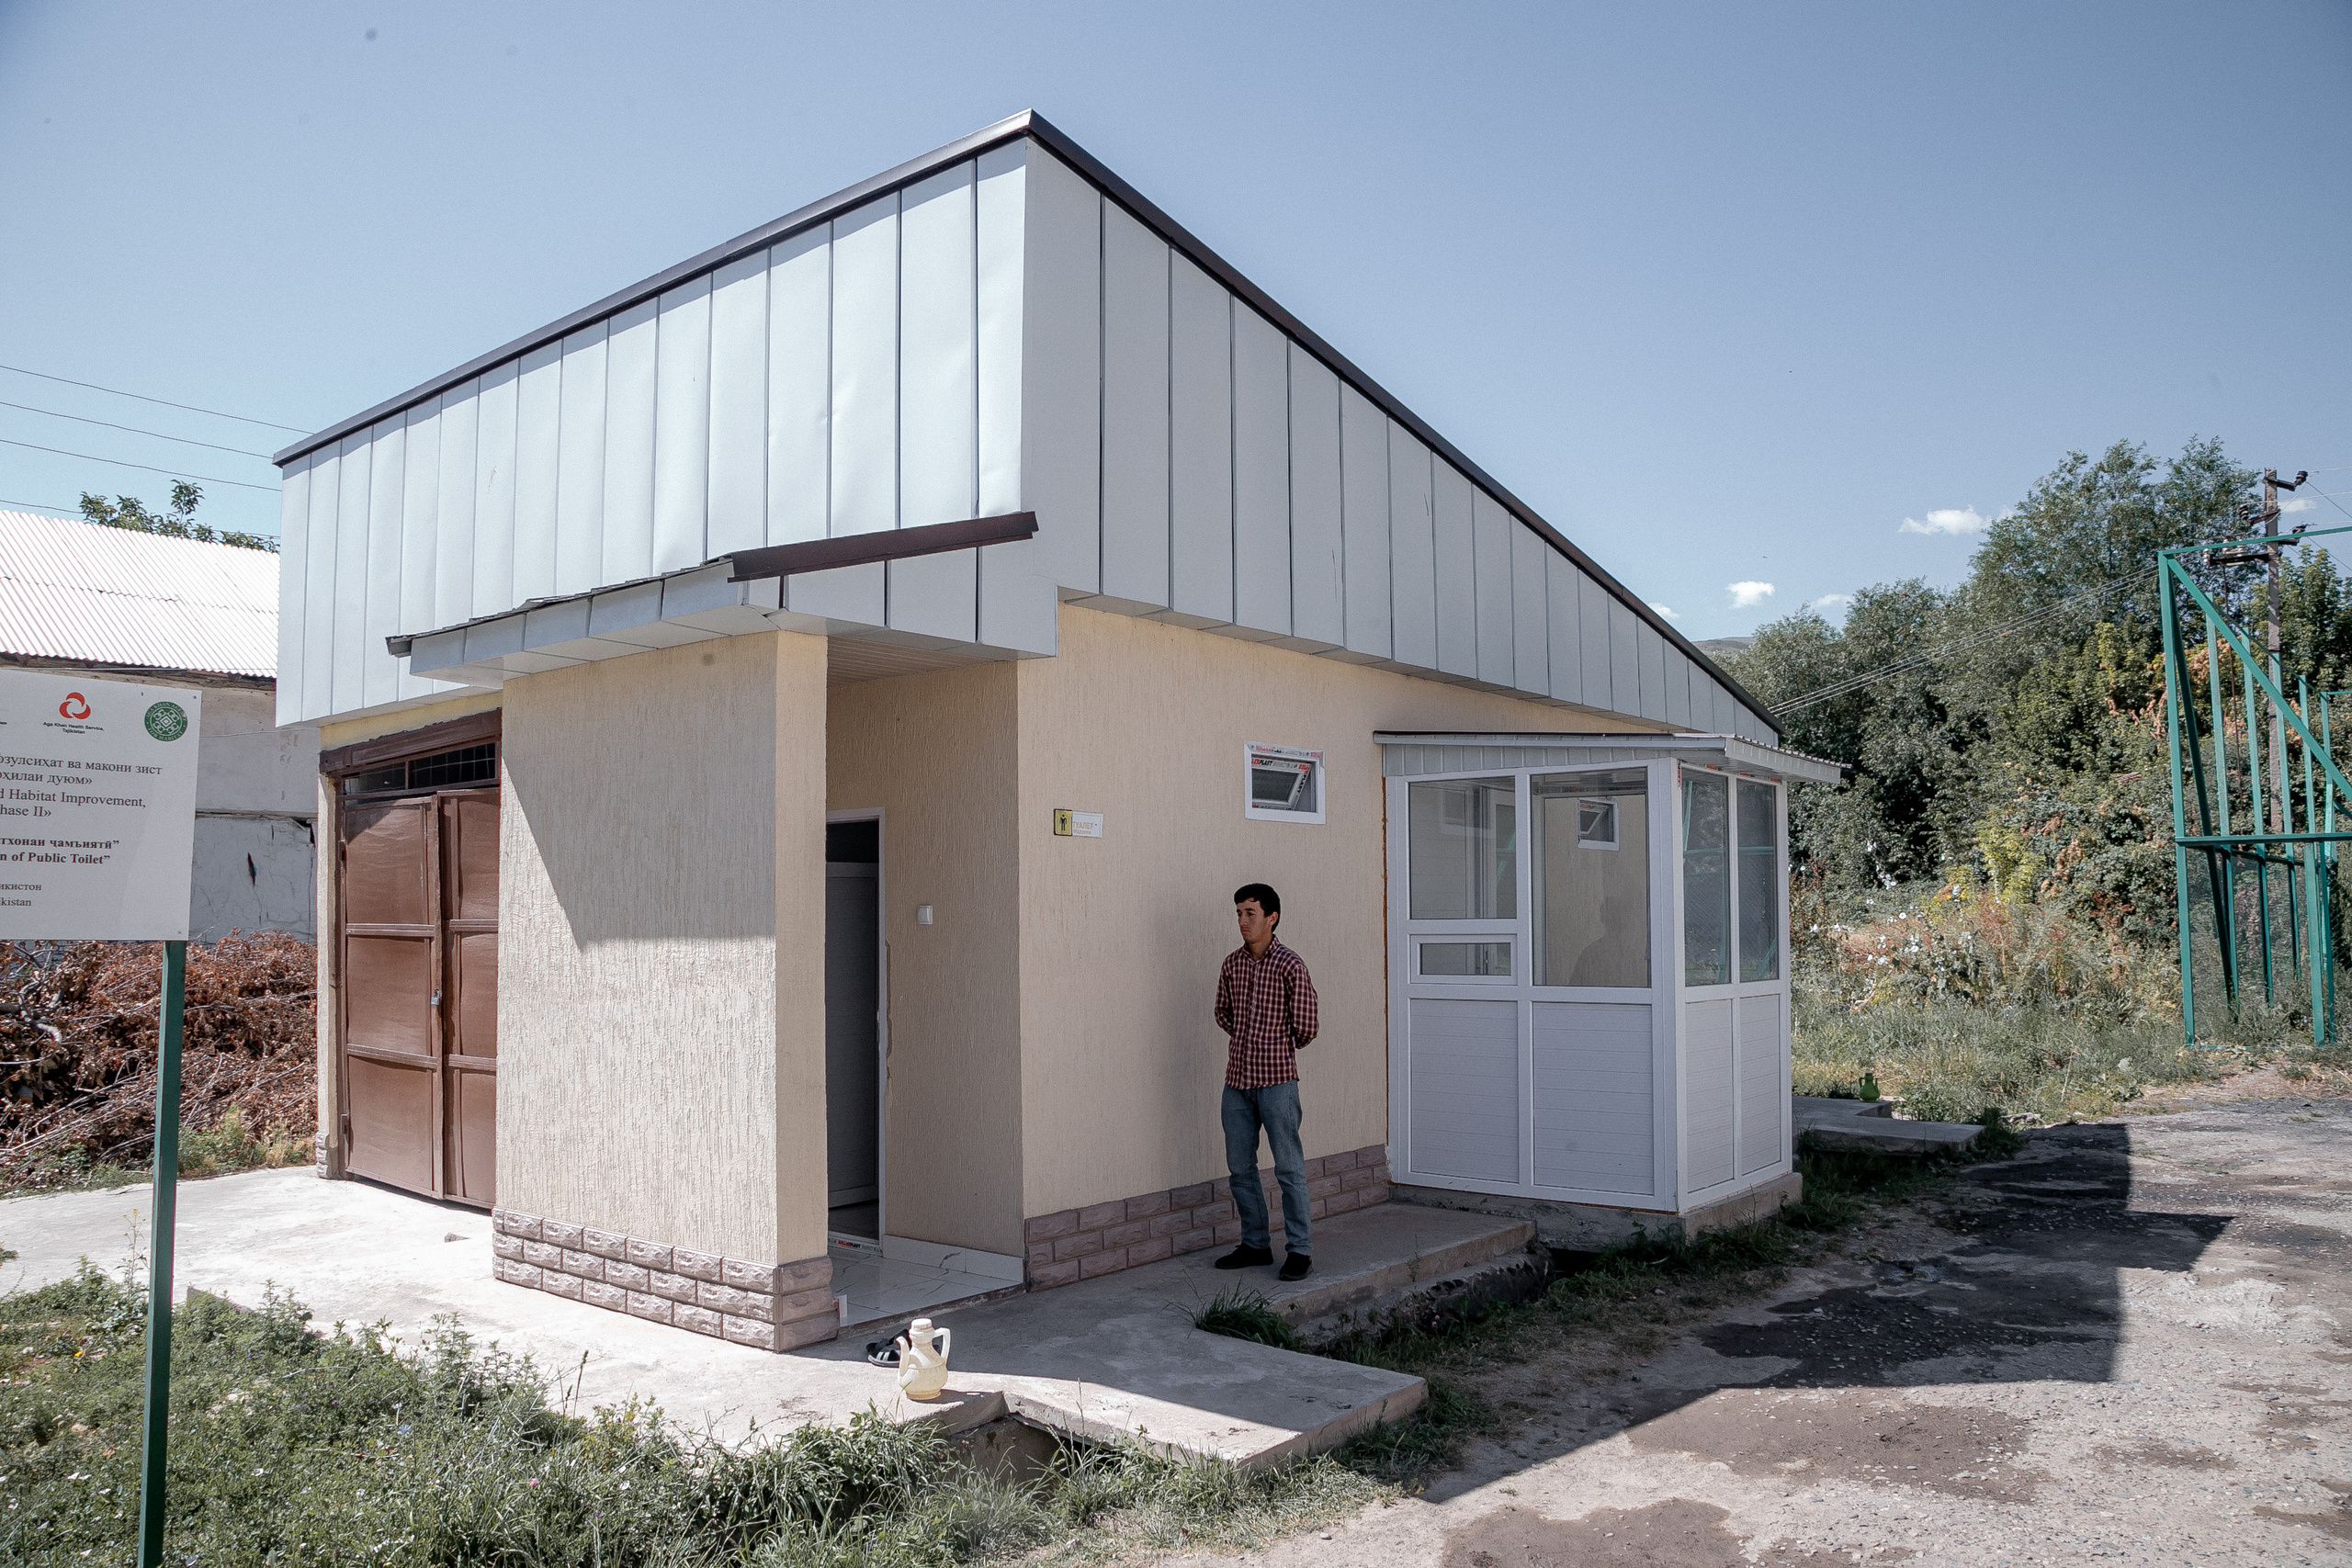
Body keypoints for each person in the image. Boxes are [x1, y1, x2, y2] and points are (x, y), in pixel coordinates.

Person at [1212, 882, 1319, 1281]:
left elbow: (1307, 1026)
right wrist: (1247, 1040)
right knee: (1240, 1168)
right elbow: (1223, 1012)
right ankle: (1255, 1244)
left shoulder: (1290, 965)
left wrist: (1273, 1045)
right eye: (1238, 913)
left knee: (1288, 1168)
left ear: (1271, 917)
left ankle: (1300, 1252)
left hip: (1276, 1083)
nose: (1242, 920)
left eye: (1250, 913)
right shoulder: (1232, 964)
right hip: (1237, 1082)